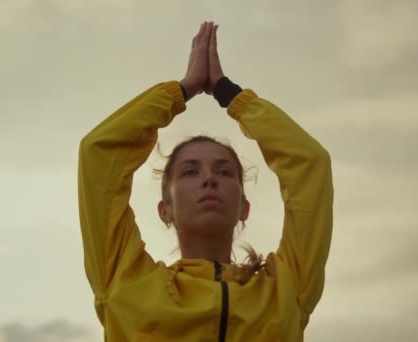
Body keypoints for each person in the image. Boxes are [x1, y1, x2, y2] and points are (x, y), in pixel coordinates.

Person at [78, 21, 334, 341]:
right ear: (165, 209)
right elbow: (98, 154)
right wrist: (182, 90)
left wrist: (230, 95)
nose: (209, 179)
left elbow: (310, 164)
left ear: (244, 207)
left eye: (225, 172)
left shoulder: (286, 289)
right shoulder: (123, 281)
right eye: (190, 172)